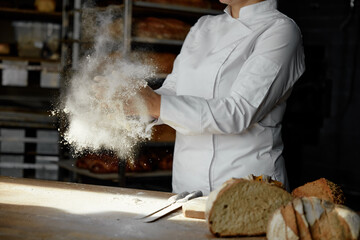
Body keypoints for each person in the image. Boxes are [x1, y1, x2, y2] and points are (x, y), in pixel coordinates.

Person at [139, 0, 305, 195]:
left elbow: (239, 112)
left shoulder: (280, 31)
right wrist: (134, 101)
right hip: (187, 186)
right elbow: (174, 90)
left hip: (249, 189)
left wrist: (156, 104)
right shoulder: (204, 26)